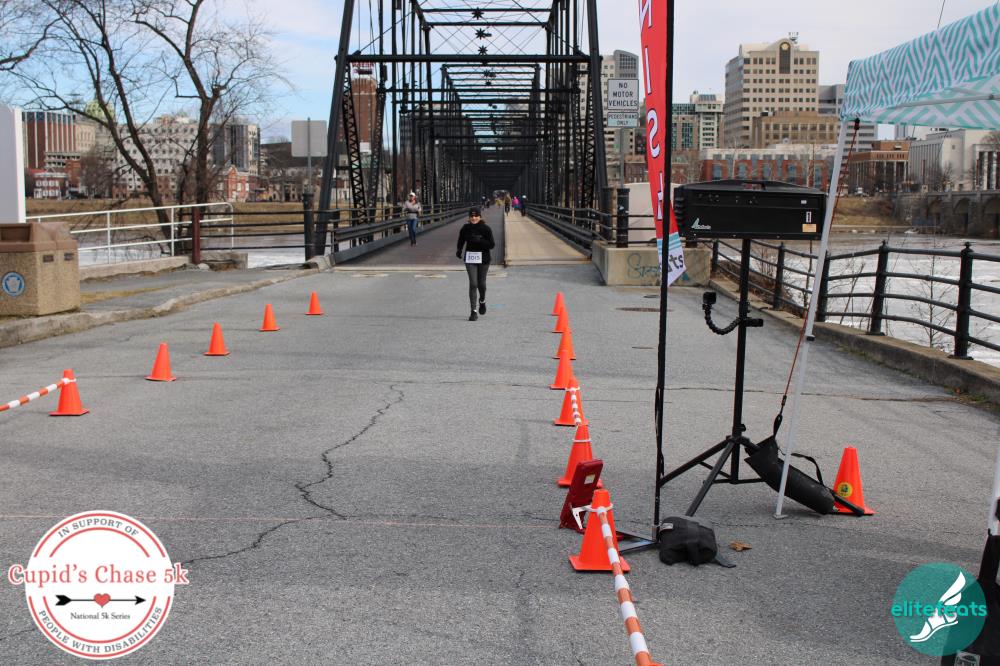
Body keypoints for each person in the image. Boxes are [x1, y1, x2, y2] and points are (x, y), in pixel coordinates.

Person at [456, 207, 495, 321]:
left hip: (483, 259)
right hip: (470, 258)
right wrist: (459, 250)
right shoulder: (465, 228)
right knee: (473, 283)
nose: (474, 218)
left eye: (476, 216)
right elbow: (461, 240)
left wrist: (480, 241)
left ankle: (482, 300)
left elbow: (492, 245)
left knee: (481, 284)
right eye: (471, 216)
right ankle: (473, 311)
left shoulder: (486, 228)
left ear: (480, 216)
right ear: (469, 217)